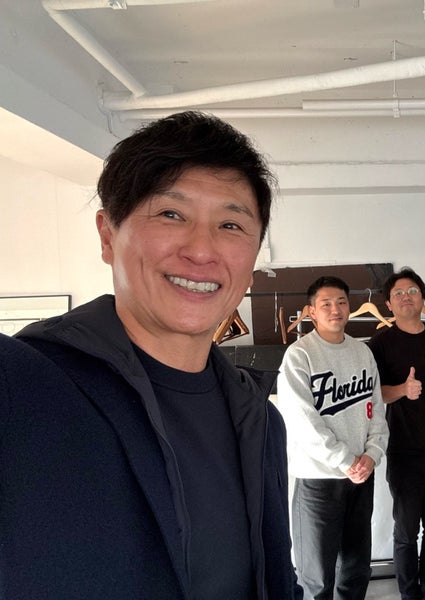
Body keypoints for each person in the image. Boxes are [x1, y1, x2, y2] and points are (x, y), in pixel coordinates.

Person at [0, 111, 302, 599]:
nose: (201, 250)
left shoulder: (261, 423)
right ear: (107, 235)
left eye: (230, 224)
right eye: (171, 215)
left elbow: (274, 578)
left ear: (251, 262)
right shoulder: (24, 387)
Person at [277, 275, 388, 600]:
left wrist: (372, 454)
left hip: (360, 478)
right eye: (326, 303)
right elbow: (302, 420)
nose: (335, 309)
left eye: (341, 302)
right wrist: (347, 460)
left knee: (356, 569)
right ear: (312, 311)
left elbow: (376, 409)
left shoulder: (362, 352)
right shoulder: (299, 355)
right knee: (317, 577)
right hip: (318, 480)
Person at [368, 268, 425, 600]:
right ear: (389, 304)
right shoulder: (380, 343)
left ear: (422, 297)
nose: (406, 297)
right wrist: (402, 390)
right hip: (403, 450)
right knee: (406, 532)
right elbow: (375, 394)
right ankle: (410, 595)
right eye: (398, 293)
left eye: (412, 291)